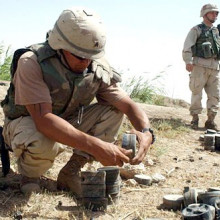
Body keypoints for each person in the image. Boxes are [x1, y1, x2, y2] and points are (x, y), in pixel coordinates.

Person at [1, 7, 154, 195]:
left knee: (113, 111)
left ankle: (71, 171)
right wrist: (97, 147)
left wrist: (146, 132)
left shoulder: (95, 66)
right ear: (60, 45)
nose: (86, 63)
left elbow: (127, 105)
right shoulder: (31, 62)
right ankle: (30, 176)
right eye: (80, 56)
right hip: (27, 124)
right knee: (42, 140)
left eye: (90, 57)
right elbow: (43, 121)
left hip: (66, 121)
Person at [182, 3, 220, 130]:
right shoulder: (196, 29)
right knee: (197, 92)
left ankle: (210, 120)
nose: (215, 15)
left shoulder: (216, 31)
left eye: (216, 13)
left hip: (214, 67)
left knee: (215, 95)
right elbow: (187, 46)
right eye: (212, 12)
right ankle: (195, 118)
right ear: (205, 14)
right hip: (199, 65)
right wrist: (188, 61)